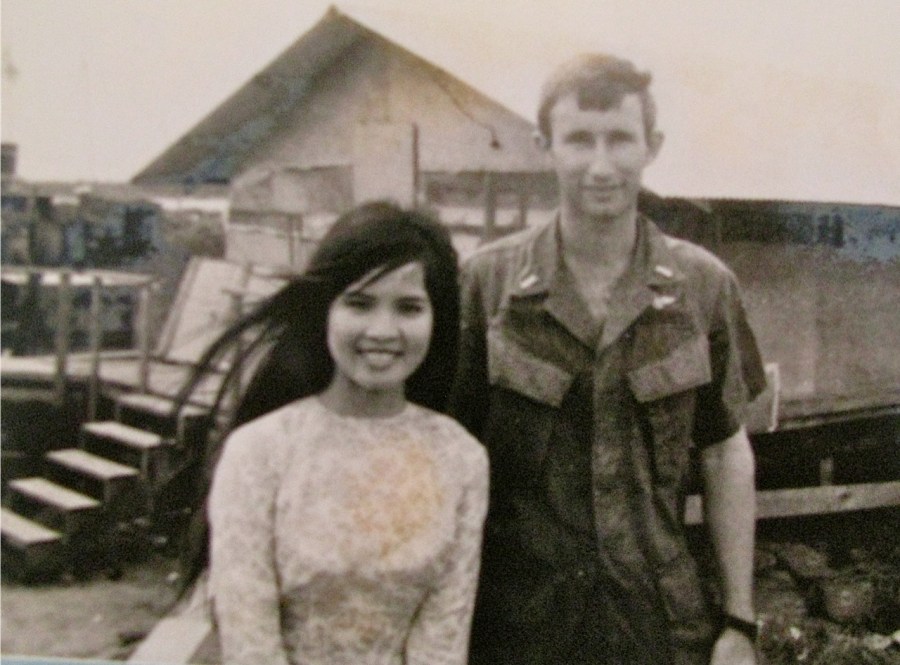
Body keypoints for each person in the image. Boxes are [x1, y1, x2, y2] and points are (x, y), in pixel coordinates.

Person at [449, 54, 766, 665]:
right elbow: (443, 453)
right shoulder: (486, 285)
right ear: (546, 146)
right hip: (516, 628)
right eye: (578, 141)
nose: (600, 165)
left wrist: (738, 622)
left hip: (659, 626)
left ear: (652, 146)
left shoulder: (704, 287)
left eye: (620, 139)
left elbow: (726, 452)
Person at [179, 201, 488, 665]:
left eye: (408, 307)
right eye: (359, 304)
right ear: (325, 310)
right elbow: (251, 647)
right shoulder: (259, 452)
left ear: (436, 319)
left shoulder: (461, 458)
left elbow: (442, 645)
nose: (382, 330)